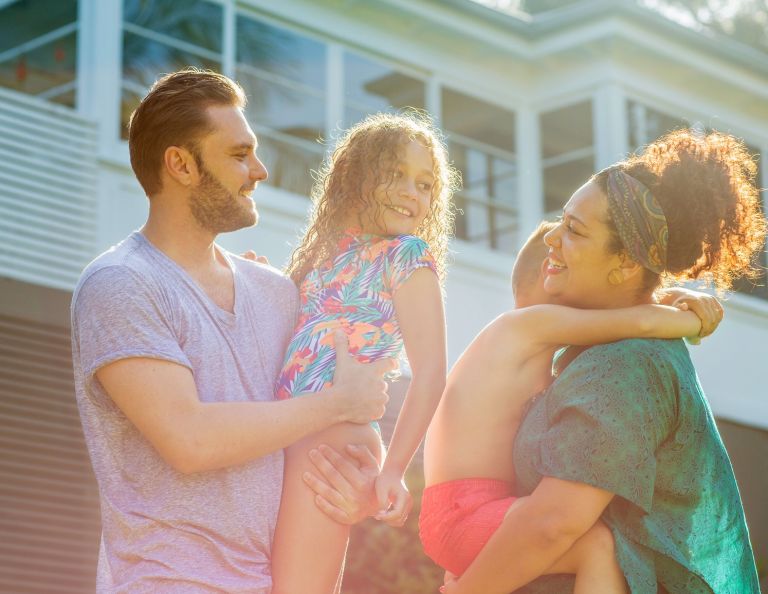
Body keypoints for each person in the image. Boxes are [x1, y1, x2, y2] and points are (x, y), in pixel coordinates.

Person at [70, 68, 394, 593]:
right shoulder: (121, 284)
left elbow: (318, 430)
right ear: (180, 164)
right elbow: (189, 439)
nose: (260, 170)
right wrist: (340, 402)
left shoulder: (276, 293)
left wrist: (362, 487)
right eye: (239, 155)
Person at [439, 129, 765, 593]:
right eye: (560, 220)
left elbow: (553, 523)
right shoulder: (598, 350)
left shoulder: (625, 368)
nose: (552, 237)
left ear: (626, 266)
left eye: (574, 230)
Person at [419, 220, 723, 593]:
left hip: (462, 511)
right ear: (552, 277)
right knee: (599, 546)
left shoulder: (535, 353)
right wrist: (694, 319)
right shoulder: (524, 327)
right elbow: (638, 322)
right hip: (463, 513)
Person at [270, 111, 460, 594]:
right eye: (396, 174)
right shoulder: (321, 259)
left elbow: (432, 372)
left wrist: (393, 469)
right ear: (356, 176)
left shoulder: (407, 256)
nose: (411, 193)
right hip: (285, 435)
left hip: (334, 444)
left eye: (424, 185)